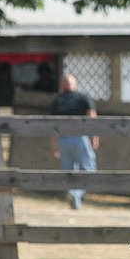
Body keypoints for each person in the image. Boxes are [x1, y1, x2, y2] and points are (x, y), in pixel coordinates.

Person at [50, 73, 99, 210]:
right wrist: (94, 137)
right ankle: (77, 195)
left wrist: (55, 146)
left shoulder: (57, 101)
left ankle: (74, 196)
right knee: (89, 169)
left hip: (63, 140)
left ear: (62, 86)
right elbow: (92, 119)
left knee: (68, 172)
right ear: (74, 85)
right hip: (80, 138)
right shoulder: (83, 99)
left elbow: (53, 126)